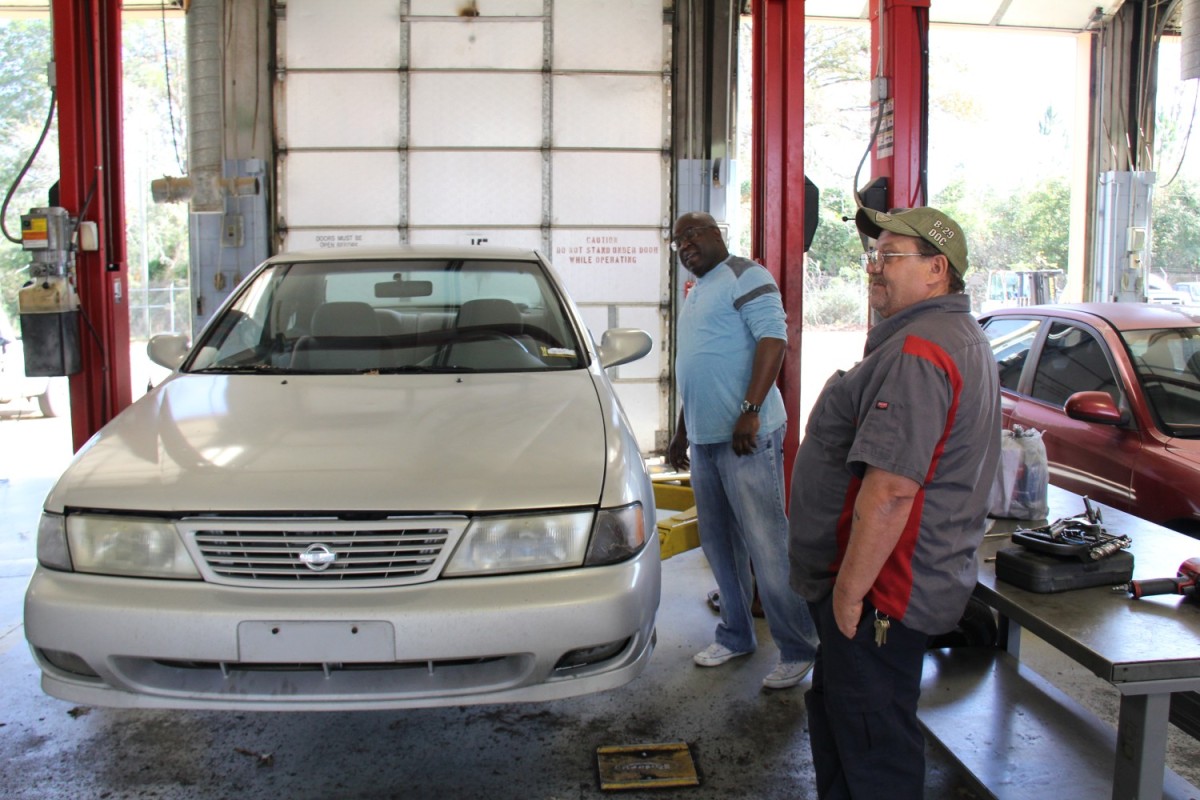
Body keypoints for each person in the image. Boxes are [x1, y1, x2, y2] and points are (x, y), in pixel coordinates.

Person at [788, 206, 1001, 798]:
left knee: (873, 744)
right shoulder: (952, 336)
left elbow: (890, 491)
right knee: (843, 720)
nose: (873, 269)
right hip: (886, 583)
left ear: (937, 270)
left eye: (889, 257)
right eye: (872, 256)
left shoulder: (923, 349)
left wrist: (849, 595)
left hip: (882, 591)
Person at [666, 211, 819, 690]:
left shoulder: (745, 274)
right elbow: (696, 367)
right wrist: (681, 431)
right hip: (707, 439)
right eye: (677, 242)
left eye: (692, 235)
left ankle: (798, 648)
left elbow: (774, 340)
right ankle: (735, 635)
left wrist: (751, 409)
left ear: (716, 233)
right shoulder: (698, 292)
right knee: (719, 546)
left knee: (767, 544)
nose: (686, 246)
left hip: (746, 436)